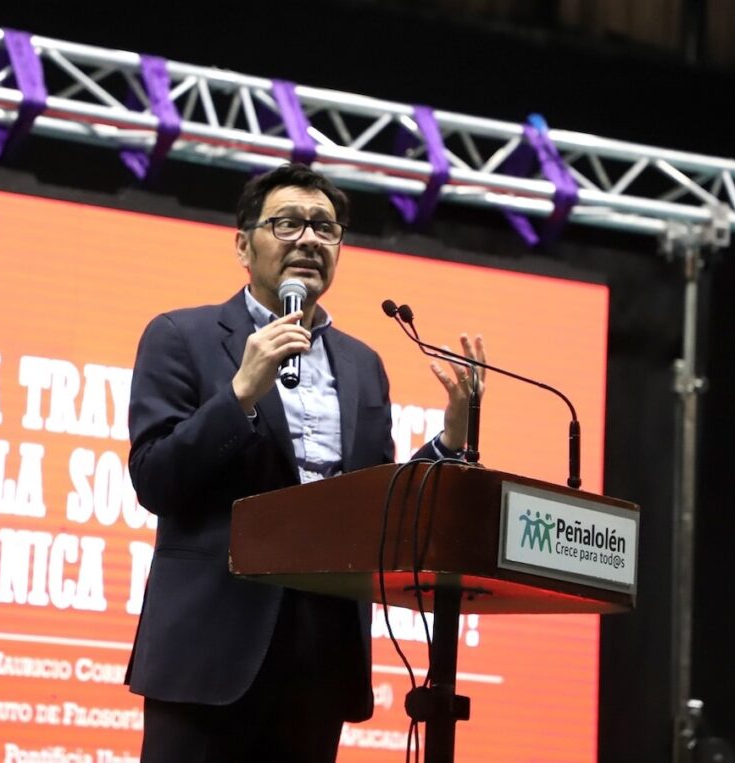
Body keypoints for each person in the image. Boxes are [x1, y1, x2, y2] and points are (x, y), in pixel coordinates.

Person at [125, 162, 486, 762]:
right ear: (244, 245)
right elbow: (156, 479)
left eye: (326, 228)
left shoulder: (364, 363)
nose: (310, 240)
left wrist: (450, 440)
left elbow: (379, 505)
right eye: (288, 223)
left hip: (320, 657)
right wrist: (239, 394)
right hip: (208, 655)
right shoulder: (180, 337)